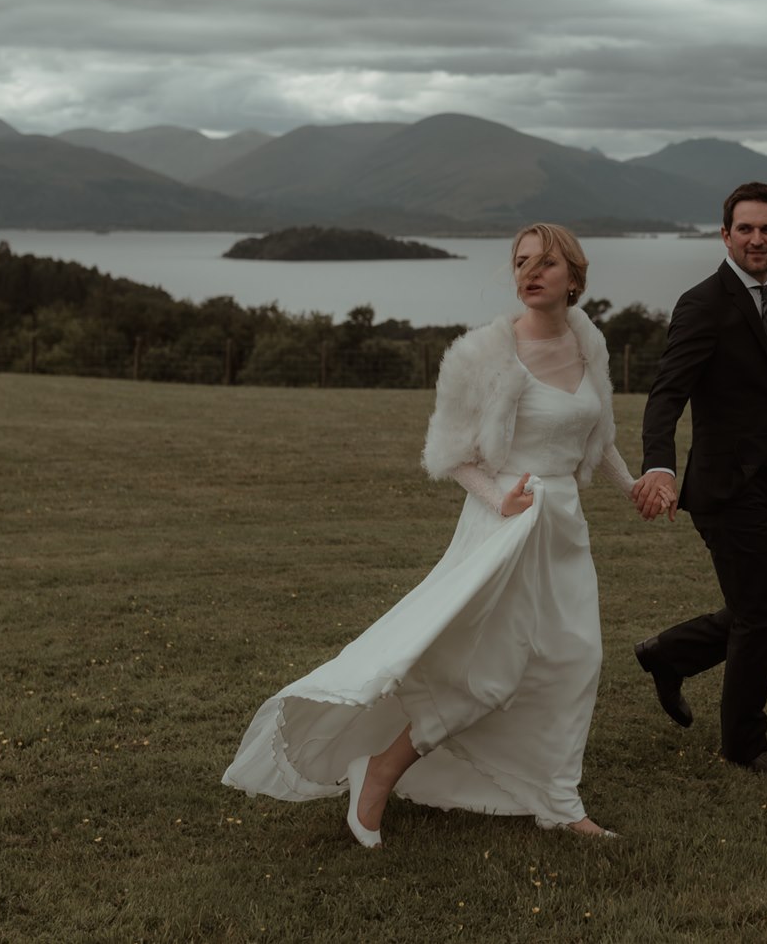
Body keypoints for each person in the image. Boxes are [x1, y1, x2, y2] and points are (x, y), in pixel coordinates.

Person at [221, 223, 636, 844]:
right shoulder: (484, 354)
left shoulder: (588, 344)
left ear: (573, 276)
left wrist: (636, 489)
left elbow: (595, 436)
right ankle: (379, 771)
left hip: (564, 527)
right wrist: (503, 499)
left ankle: (559, 800)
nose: (530, 272)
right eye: (521, 262)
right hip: (507, 527)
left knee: (575, 660)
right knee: (488, 674)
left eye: (545, 263)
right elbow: (451, 454)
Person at [629, 181, 767, 781]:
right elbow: (668, 393)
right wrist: (660, 463)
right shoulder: (703, 303)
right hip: (722, 488)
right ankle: (743, 743)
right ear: (725, 235)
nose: (757, 238)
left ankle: (668, 655)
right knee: (760, 613)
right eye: (745, 228)